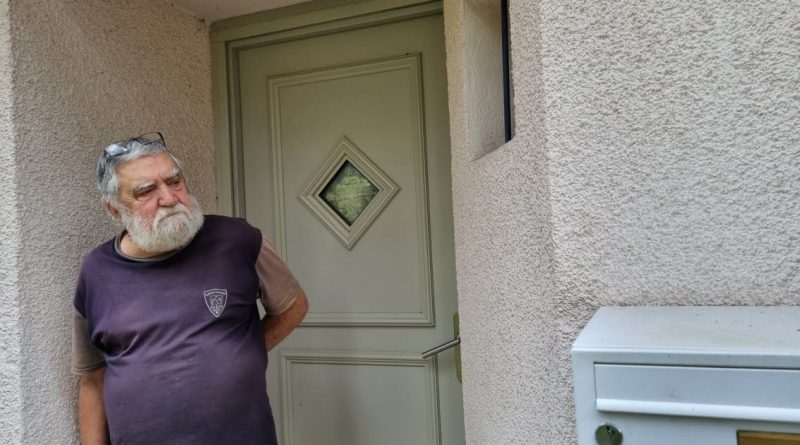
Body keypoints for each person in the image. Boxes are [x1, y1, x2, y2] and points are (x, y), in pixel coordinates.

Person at [72, 132, 308, 445]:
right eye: (146, 191)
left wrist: (244, 350)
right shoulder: (96, 271)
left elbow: (293, 306)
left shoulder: (239, 240)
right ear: (115, 211)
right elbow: (92, 377)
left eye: (175, 181)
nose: (169, 198)